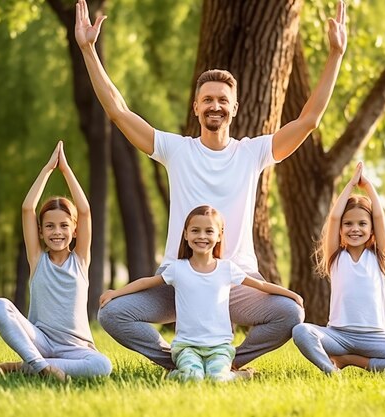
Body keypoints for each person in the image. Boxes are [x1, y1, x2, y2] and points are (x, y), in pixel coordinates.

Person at [75, 0, 347, 371]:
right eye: (208, 100)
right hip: (178, 282)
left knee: (288, 313)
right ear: (196, 107)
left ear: (234, 108)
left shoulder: (253, 153)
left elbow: (309, 120)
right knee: (113, 315)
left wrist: (334, 54)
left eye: (222, 100)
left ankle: (229, 363)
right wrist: (89, 50)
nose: (215, 106)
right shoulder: (177, 150)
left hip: (237, 284)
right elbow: (118, 111)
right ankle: (177, 360)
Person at [99, 205, 304, 382]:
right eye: (195, 231)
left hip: (219, 348)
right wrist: (115, 293)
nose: (202, 236)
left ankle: (238, 375)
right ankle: (180, 372)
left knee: (217, 379)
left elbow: (260, 285)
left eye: (209, 231)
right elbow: (146, 282)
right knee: (192, 378)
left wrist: (291, 294)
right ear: (186, 234)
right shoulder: (177, 269)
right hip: (187, 347)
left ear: (219, 235)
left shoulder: (227, 269)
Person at [0, 141, 112, 381]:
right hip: (40, 340)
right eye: (49, 226)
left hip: (76, 350)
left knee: (103, 365)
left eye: (64, 226)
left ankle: (23, 366)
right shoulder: (37, 260)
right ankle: (41, 366)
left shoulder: (81, 261)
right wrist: (48, 169)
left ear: (75, 231)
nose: (57, 232)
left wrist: (65, 170)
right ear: (40, 232)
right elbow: (27, 208)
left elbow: (85, 212)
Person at [292, 162, 385, 376]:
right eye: (348, 224)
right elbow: (334, 217)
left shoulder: (379, 257)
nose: (355, 229)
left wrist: (368, 187)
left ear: (371, 229)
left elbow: (379, 216)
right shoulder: (336, 258)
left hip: (376, 337)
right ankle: (331, 371)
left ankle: (353, 360)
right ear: (340, 230)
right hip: (338, 336)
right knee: (301, 331)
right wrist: (350, 184)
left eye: (362, 224)